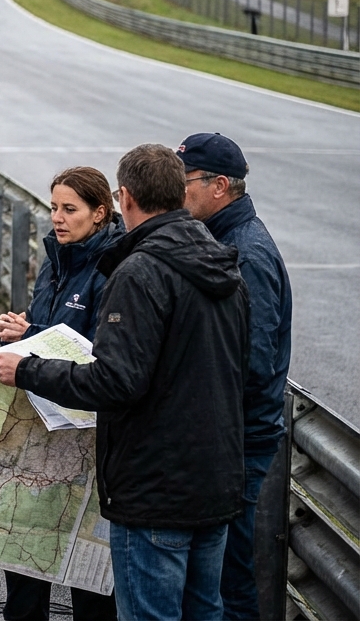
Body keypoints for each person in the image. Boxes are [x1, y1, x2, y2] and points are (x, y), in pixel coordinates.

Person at [0, 144, 249, 621]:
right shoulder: (225, 262)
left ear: (123, 198)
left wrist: (26, 368)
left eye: (70, 208)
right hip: (217, 478)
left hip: (154, 489)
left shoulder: (139, 270)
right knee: (203, 612)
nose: (59, 218)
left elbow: (116, 380)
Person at [0, 167, 124, 621]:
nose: (58, 219)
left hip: (86, 434)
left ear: (100, 213)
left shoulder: (114, 267)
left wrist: (35, 332)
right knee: (24, 551)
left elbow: (96, 351)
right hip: (39, 425)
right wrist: (20, 330)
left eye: (70, 209)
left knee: (90, 578)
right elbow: (49, 326)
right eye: (53, 208)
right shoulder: (55, 256)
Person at [177, 133, 292, 621]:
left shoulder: (247, 253)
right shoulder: (217, 237)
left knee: (228, 573)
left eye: (184, 183)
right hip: (225, 435)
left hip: (241, 440)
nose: (177, 194)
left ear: (219, 185)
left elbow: (254, 361)